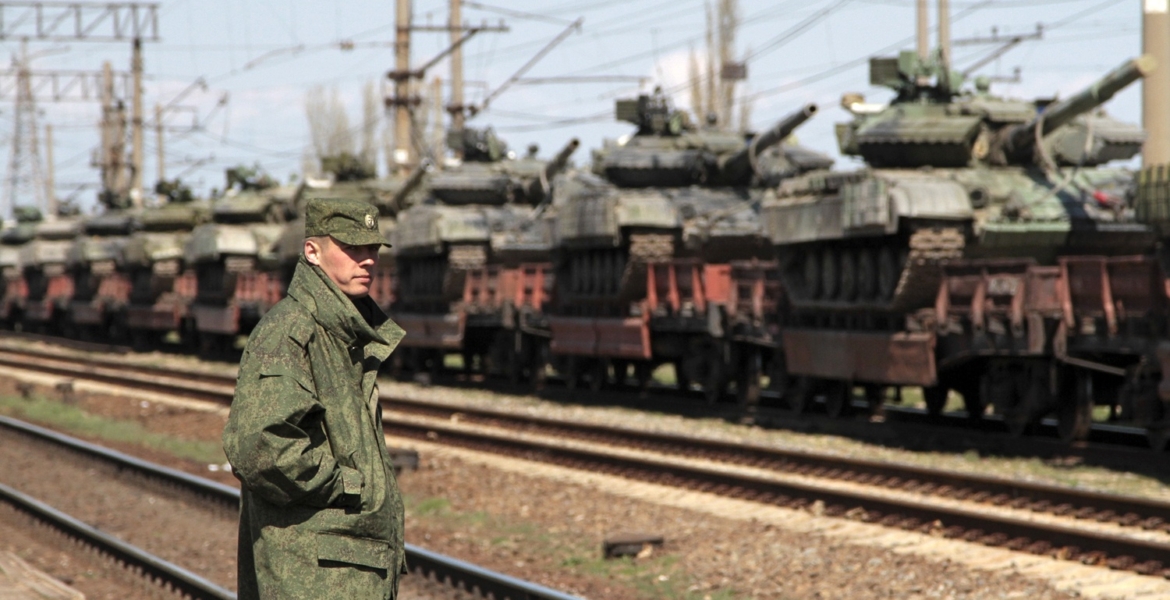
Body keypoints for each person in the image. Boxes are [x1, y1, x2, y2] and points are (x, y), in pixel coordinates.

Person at [223, 197, 406, 599]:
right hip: (312, 574)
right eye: (352, 247)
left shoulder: (341, 332)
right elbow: (260, 448)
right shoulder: (292, 331)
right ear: (312, 251)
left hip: (340, 571)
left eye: (373, 248)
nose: (368, 260)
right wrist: (349, 485)